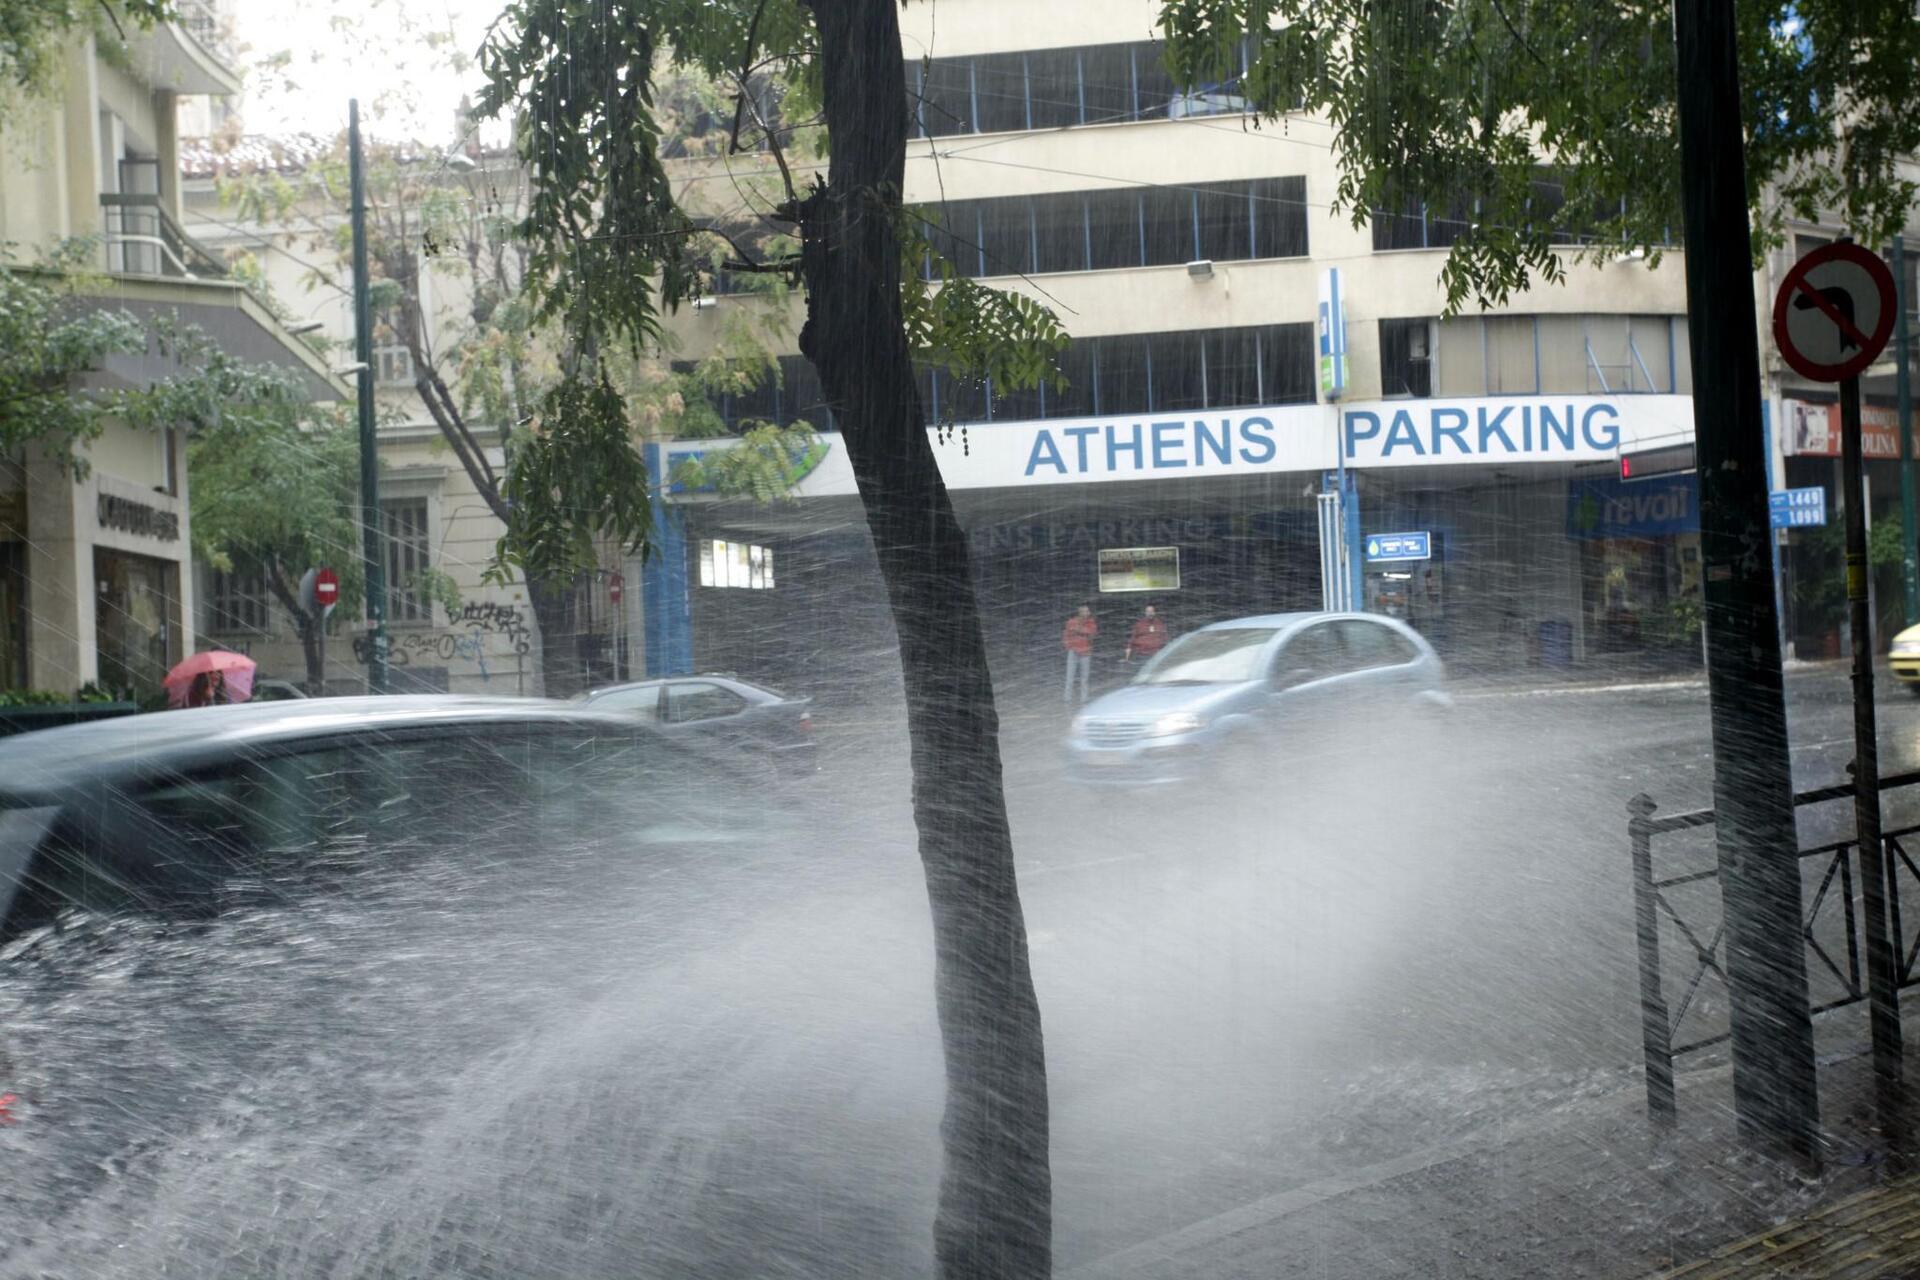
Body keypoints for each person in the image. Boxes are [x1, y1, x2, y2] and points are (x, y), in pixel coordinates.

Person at [1061, 604, 1097, 704]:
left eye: (1087, 611)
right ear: (1079, 613)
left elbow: (1092, 634)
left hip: (1086, 652)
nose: (1087, 613)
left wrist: (1079, 630)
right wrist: (1069, 646)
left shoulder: (1091, 622)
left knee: (1084, 677)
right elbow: (1066, 635)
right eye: (1084, 611)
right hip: (1073, 651)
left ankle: (1084, 699)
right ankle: (1067, 698)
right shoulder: (1071, 622)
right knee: (1070, 676)